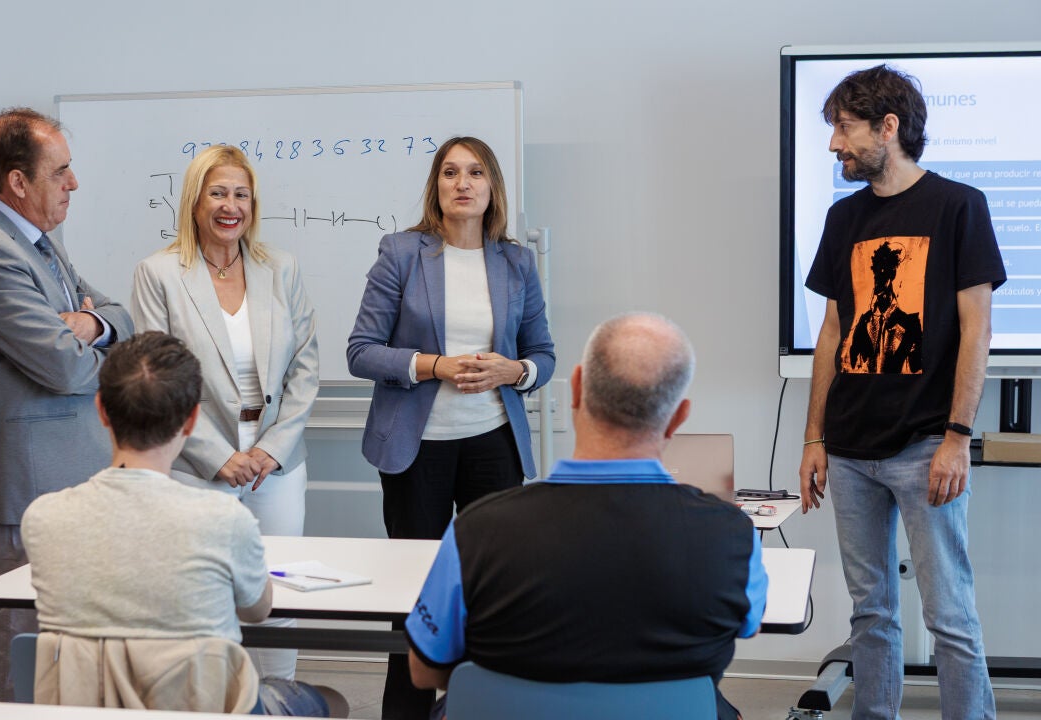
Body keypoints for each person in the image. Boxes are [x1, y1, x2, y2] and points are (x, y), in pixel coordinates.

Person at [406, 313, 767, 720]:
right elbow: (746, 626)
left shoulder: (476, 530)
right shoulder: (731, 536)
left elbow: (424, 671)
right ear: (679, 418)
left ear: (576, 389)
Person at [798, 65, 1005, 720]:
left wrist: (957, 437)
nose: (834, 144)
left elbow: (977, 331)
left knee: (950, 616)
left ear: (888, 127)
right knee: (871, 615)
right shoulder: (843, 218)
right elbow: (832, 332)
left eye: (844, 127)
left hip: (925, 447)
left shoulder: (959, 206)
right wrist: (813, 437)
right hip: (849, 450)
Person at [345, 136, 554, 718]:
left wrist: (516, 371)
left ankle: (482, 708)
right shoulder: (402, 253)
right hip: (418, 450)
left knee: (494, 592)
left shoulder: (516, 261)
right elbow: (361, 351)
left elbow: (543, 354)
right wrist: (435, 366)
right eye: (450, 172)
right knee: (414, 595)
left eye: (476, 172)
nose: (463, 183)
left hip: (494, 444)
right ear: (436, 186)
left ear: (492, 188)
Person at [21, 331, 338, 715]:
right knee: (328, 701)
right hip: (200, 708)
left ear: (101, 409)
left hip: (84, 710)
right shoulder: (223, 520)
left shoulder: (43, 518)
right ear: (191, 421)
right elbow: (257, 612)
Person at [0, 107, 134, 701]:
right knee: (27, 644)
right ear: (18, 182)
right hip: (27, 485)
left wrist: (91, 322)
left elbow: (120, 315)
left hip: (68, 478)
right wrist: (115, 357)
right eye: (60, 171)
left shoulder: (39, 241)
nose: (74, 183)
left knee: (71, 646)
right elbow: (64, 366)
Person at [130, 144, 318, 680]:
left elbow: (305, 366)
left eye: (241, 194)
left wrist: (271, 449)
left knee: (277, 599)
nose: (230, 205)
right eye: (217, 193)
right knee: (204, 601)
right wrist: (217, 455)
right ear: (195, 202)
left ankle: (276, 701)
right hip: (197, 466)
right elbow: (158, 376)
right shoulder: (159, 273)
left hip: (276, 464)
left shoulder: (281, 269)